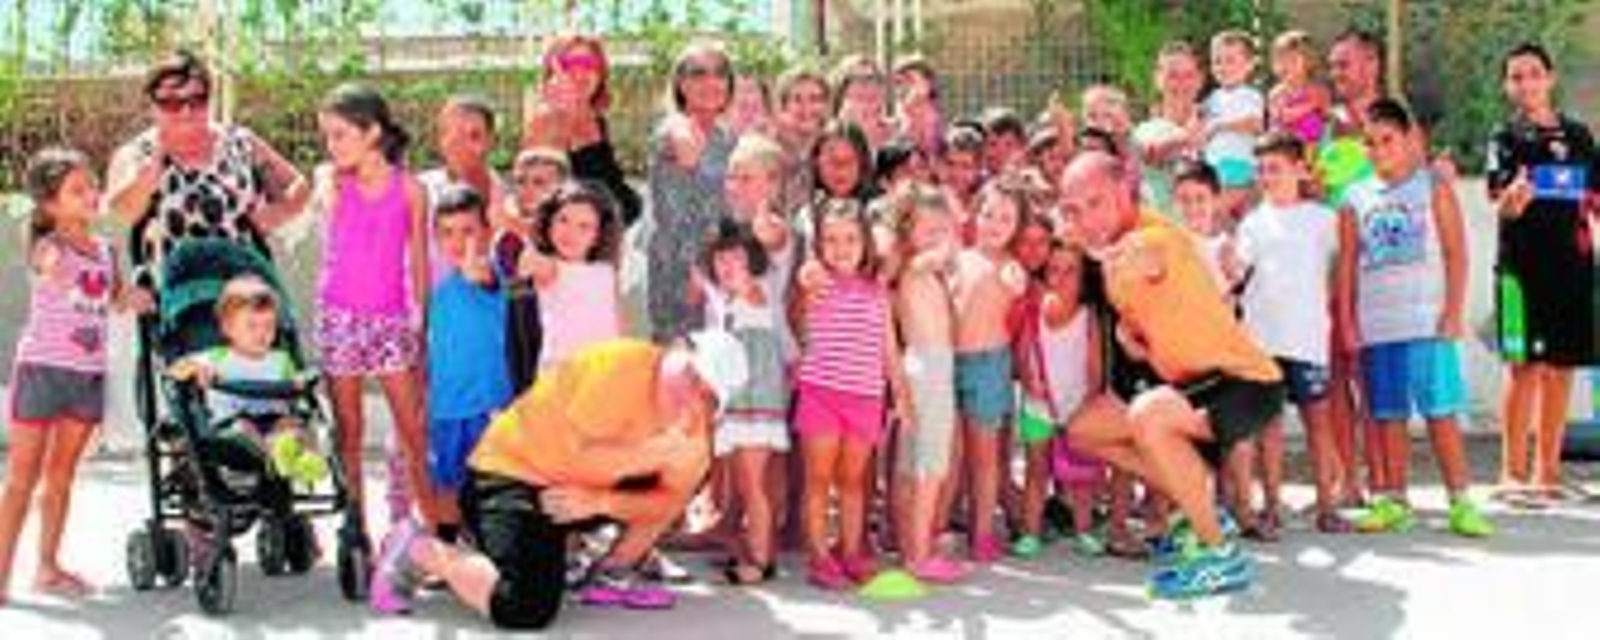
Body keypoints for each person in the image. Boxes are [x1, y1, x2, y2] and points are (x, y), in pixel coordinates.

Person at [368, 333, 749, 629]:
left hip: (575, 494)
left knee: (672, 484)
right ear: (677, 350)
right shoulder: (619, 365)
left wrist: (602, 502)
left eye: (707, 395)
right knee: (525, 609)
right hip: (512, 473)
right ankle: (418, 548)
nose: (690, 395)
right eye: (691, 375)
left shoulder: (694, 439)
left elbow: (667, 503)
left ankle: (612, 572)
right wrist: (648, 456)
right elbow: (575, 455)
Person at [1060, 151, 1284, 599]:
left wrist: (1095, 248)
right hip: (1192, 391)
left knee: (1148, 412)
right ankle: (1201, 508)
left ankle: (1221, 557)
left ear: (1124, 190)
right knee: (1084, 429)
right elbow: (1146, 324)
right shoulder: (1113, 266)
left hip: (1244, 384)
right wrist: (1133, 339)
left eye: (1095, 202)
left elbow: (1143, 256)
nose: (1086, 217)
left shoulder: (1155, 236)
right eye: (1074, 209)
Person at [1336, 99, 1494, 538]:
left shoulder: (1433, 188)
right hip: (1377, 327)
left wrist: (1452, 311)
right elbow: (1347, 266)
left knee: (1440, 411)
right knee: (1388, 415)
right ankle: (1394, 500)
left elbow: (1457, 254)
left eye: (1387, 140)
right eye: (1370, 143)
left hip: (1427, 324)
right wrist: (1348, 322)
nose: (1378, 150)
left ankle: (1460, 501)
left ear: (1408, 140)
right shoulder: (1354, 198)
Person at [0, 149, 140, 604]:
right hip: (41, 372)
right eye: (78, 190)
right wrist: (50, 266)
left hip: (87, 378)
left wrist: (138, 297)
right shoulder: (50, 248)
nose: (91, 195)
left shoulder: (106, 252)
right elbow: (44, 265)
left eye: (92, 186)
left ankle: (47, 567)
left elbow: (116, 300)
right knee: (21, 480)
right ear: (50, 204)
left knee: (60, 477)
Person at [309, 82, 438, 540]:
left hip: (391, 321)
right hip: (338, 319)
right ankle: (356, 527)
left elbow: (419, 263)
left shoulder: (411, 189)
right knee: (349, 429)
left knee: (413, 430)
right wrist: (329, 181)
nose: (331, 145)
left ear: (373, 133)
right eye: (327, 135)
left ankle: (432, 529)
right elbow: (324, 205)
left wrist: (424, 328)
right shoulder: (331, 181)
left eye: (340, 134)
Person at [1486, 42, 1598, 505]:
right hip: (1521, 273)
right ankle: (1511, 474)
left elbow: (1594, 199)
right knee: (1524, 369)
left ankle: (1546, 474)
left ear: (1550, 78)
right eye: (1516, 76)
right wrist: (1515, 196)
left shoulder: (1580, 136)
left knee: (1560, 369)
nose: (1526, 83)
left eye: (1534, 73)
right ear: (1507, 86)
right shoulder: (1505, 138)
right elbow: (1500, 202)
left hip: (1573, 269)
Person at [106, 49, 308, 294]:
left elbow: (298, 184)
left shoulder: (240, 141)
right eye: (171, 103)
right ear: (151, 105)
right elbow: (123, 211)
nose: (186, 112)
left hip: (244, 299)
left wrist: (278, 212)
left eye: (197, 100)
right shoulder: (136, 153)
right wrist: (151, 171)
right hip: (173, 302)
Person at [1232, 133, 1350, 536]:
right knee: (1270, 428)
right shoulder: (1253, 223)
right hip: (1261, 342)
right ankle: (1271, 506)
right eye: (1262, 170)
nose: (1267, 177)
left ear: (1301, 170)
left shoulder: (1323, 219)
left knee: (1319, 423)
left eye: (1276, 169)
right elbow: (1238, 272)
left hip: (1308, 340)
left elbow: (1340, 268)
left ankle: (1327, 506)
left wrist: (1329, 308)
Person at [793, 200, 908, 590]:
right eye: (830, 239)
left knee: (854, 482)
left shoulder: (878, 289)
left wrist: (902, 394)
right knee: (818, 479)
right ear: (818, 245)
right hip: (821, 394)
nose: (841, 248)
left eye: (850, 239)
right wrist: (805, 280)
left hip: (865, 399)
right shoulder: (816, 281)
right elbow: (799, 314)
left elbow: (889, 347)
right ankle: (819, 556)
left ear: (866, 243)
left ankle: (851, 551)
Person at [421, 185, 513, 552]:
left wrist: (483, 273)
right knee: (446, 485)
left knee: (490, 484)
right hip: (445, 408)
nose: (458, 241)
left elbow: (488, 281)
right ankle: (447, 550)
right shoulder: (440, 290)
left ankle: (493, 551)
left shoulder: (492, 276)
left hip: (488, 405)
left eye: (468, 231)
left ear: (487, 232)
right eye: (447, 232)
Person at [883, 184, 967, 583]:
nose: (937, 236)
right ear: (906, 230)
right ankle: (919, 553)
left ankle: (909, 545)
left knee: (911, 463)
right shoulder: (916, 266)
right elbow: (943, 254)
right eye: (928, 228)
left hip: (925, 366)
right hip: (930, 368)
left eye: (941, 228)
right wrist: (951, 234)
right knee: (930, 467)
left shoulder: (917, 271)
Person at [169, 276, 327, 486]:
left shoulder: (281, 359)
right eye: (252, 326)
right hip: (232, 423)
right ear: (228, 328)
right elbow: (175, 369)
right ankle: (277, 458)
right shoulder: (216, 358)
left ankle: (301, 460)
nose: (262, 334)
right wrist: (196, 369)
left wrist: (299, 382)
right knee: (243, 430)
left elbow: (294, 387)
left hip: (274, 418)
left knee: (295, 427)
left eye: (269, 326)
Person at [698, 221, 789, 585]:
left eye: (736, 257)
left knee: (753, 484)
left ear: (751, 260)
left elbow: (751, 275)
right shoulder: (729, 301)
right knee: (746, 482)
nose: (728, 265)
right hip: (739, 402)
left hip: (755, 405)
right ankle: (755, 550)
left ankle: (760, 561)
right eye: (720, 259)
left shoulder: (755, 290)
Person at [952, 178, 1029, 563]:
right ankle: (941, 523)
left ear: (1017, 226)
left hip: (989, 363)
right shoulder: (958, 258)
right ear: (974, 215)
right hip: (949, 360)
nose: (995, 224)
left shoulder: (1011, 266)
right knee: (950, 455)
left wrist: (1015, 284)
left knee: (985, 457)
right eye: (988, 214)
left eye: (1006, 218)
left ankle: (982, 532)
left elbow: (1018, 291)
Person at [647, 40, 737, 341]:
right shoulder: (672, 128)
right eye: (698, 73)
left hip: (720, 269)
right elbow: (680, 141)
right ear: (681, 84)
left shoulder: (727, 137)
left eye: (720, 73)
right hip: (679, 271)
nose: (711, 81)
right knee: (679, 360)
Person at [523, 34, 642, 226]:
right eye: (569, 63)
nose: (580, 72)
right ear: (553, 71)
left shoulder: (595, 116)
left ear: (600, 72)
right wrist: (560, 118)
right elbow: (537, 205)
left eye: (588, 63)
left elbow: (608, 182)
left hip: (619, 227)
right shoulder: (547, 120)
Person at [520, 181, 624, 373]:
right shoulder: (551, 267)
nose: (570, 232)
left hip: (602, 373)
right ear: (549, 222)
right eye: (563, 220)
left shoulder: (607, 272)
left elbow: (618, 327)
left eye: (584, 226)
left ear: (597, 236)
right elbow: (528, 261)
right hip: (560, 374)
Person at [1134, 41, 1206, 215]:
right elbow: (1149, 155)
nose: (1181, 83)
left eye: (1188, 75)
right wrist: (1186, 138)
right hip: (1166, 226)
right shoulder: (1145, 132)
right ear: (1158, 79)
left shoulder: (1219, 122)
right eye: (1172, 75)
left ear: (1200, 80)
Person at [1203, 30, 1267, 217]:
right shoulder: (1213, 97)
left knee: (1218, 210)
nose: (1223, 67)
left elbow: (1255, 124)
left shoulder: (1249, 95)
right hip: (1215, 164)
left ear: (1249, 65)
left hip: (1238, 164)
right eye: (1217, 61)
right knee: (1223, 216)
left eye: (1230, 61)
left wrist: (1219, 127)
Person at [1268, 31, 1332, 146]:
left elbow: (1328, 121)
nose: (1286, 65)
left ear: (1308, 62)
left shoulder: (1318, 91)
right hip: (1285, 149)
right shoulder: (1276, 93)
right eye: (1281, 60)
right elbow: (1281, 116)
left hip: (1313, 147)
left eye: (1292, 60)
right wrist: (1309, 106)